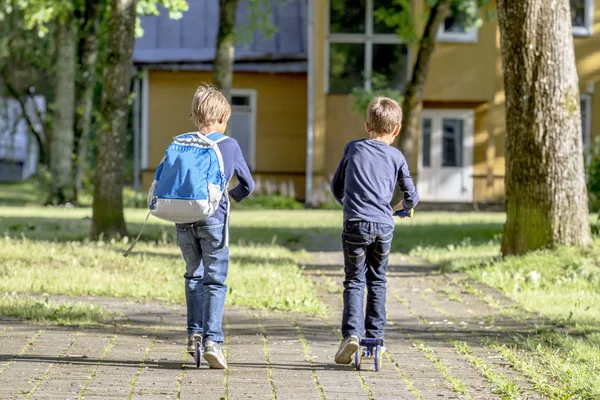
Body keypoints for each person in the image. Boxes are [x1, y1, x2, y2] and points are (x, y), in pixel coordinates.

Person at [330, 96, 419, 364]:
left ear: (367, 125)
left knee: (354, 280)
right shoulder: (397, 156)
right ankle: (374, 339)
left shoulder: (353, 149)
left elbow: (337, 187)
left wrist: (349, 203)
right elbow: (412, 196)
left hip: (355, 224)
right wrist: (401, 207)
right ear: (397, 129)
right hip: (383, 226)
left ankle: (351, 336)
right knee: (377, 280)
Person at [177, 83, 254, 369]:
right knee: (215, 280)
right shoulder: (229, 145)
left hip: (183, 219)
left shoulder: (184, 141)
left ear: (197, 117)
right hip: (213, 219)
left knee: (193, 275)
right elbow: (248, 184)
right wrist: (228, 197)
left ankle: (194, 334)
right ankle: (212, 340)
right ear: (223, 118)